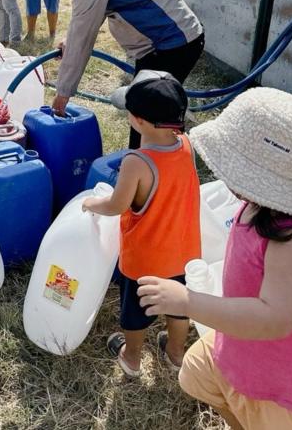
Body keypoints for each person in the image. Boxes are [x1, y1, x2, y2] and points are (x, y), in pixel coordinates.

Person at [137, 87, 292, 429]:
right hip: (242, 345)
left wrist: (188, 301)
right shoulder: (270, 207)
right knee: (197, 376)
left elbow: (276, 318)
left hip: (278, 379)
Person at [17, 0, 204, 147]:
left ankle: (155, 168)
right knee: (148, 115)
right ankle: (154, 159)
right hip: (163, 41)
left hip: (173, 42)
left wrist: (62, 94)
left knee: (147, 119)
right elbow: (88, 16)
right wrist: (71, 40)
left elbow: (84, 34)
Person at [82, 70, 200, 378]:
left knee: (135, 312)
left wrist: (92, 203)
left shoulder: (137, 162)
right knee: (179, 306)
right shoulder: (186, 144)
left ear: (140, 121)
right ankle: (175, 353)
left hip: (146, 258)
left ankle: (131, 357)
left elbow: (116, 205)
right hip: (183, 251)